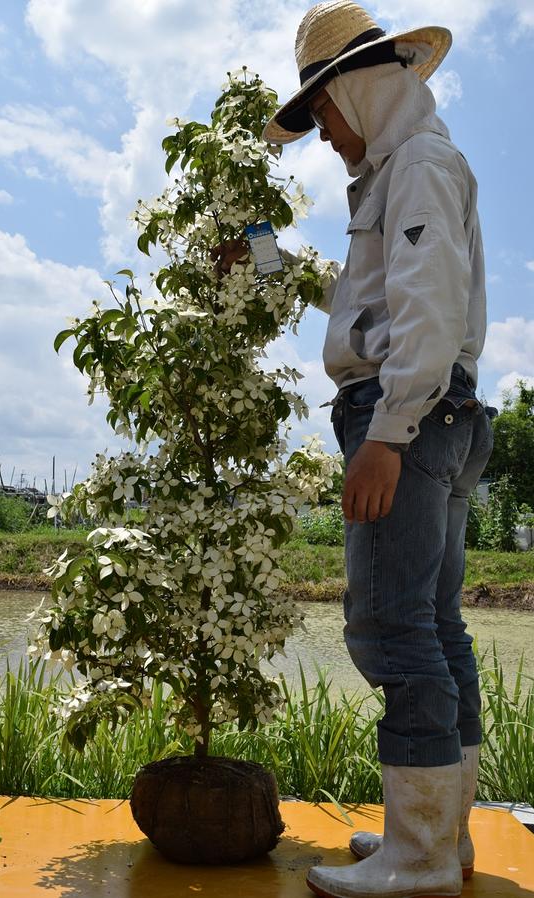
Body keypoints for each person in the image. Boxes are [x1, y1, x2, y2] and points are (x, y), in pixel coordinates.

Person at [218, 3, 493, 897]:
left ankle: (417, 860)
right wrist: (257, 256)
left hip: (407, 417)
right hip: (445, 416)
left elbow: (428, 313)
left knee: (390, 631)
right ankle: (439, 844)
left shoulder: (416, 165)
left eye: (322, 113)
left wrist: (386, 433)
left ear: (352, 86)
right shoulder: (403, 173)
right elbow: (363, 304)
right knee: (438, 629)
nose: (324, 133)